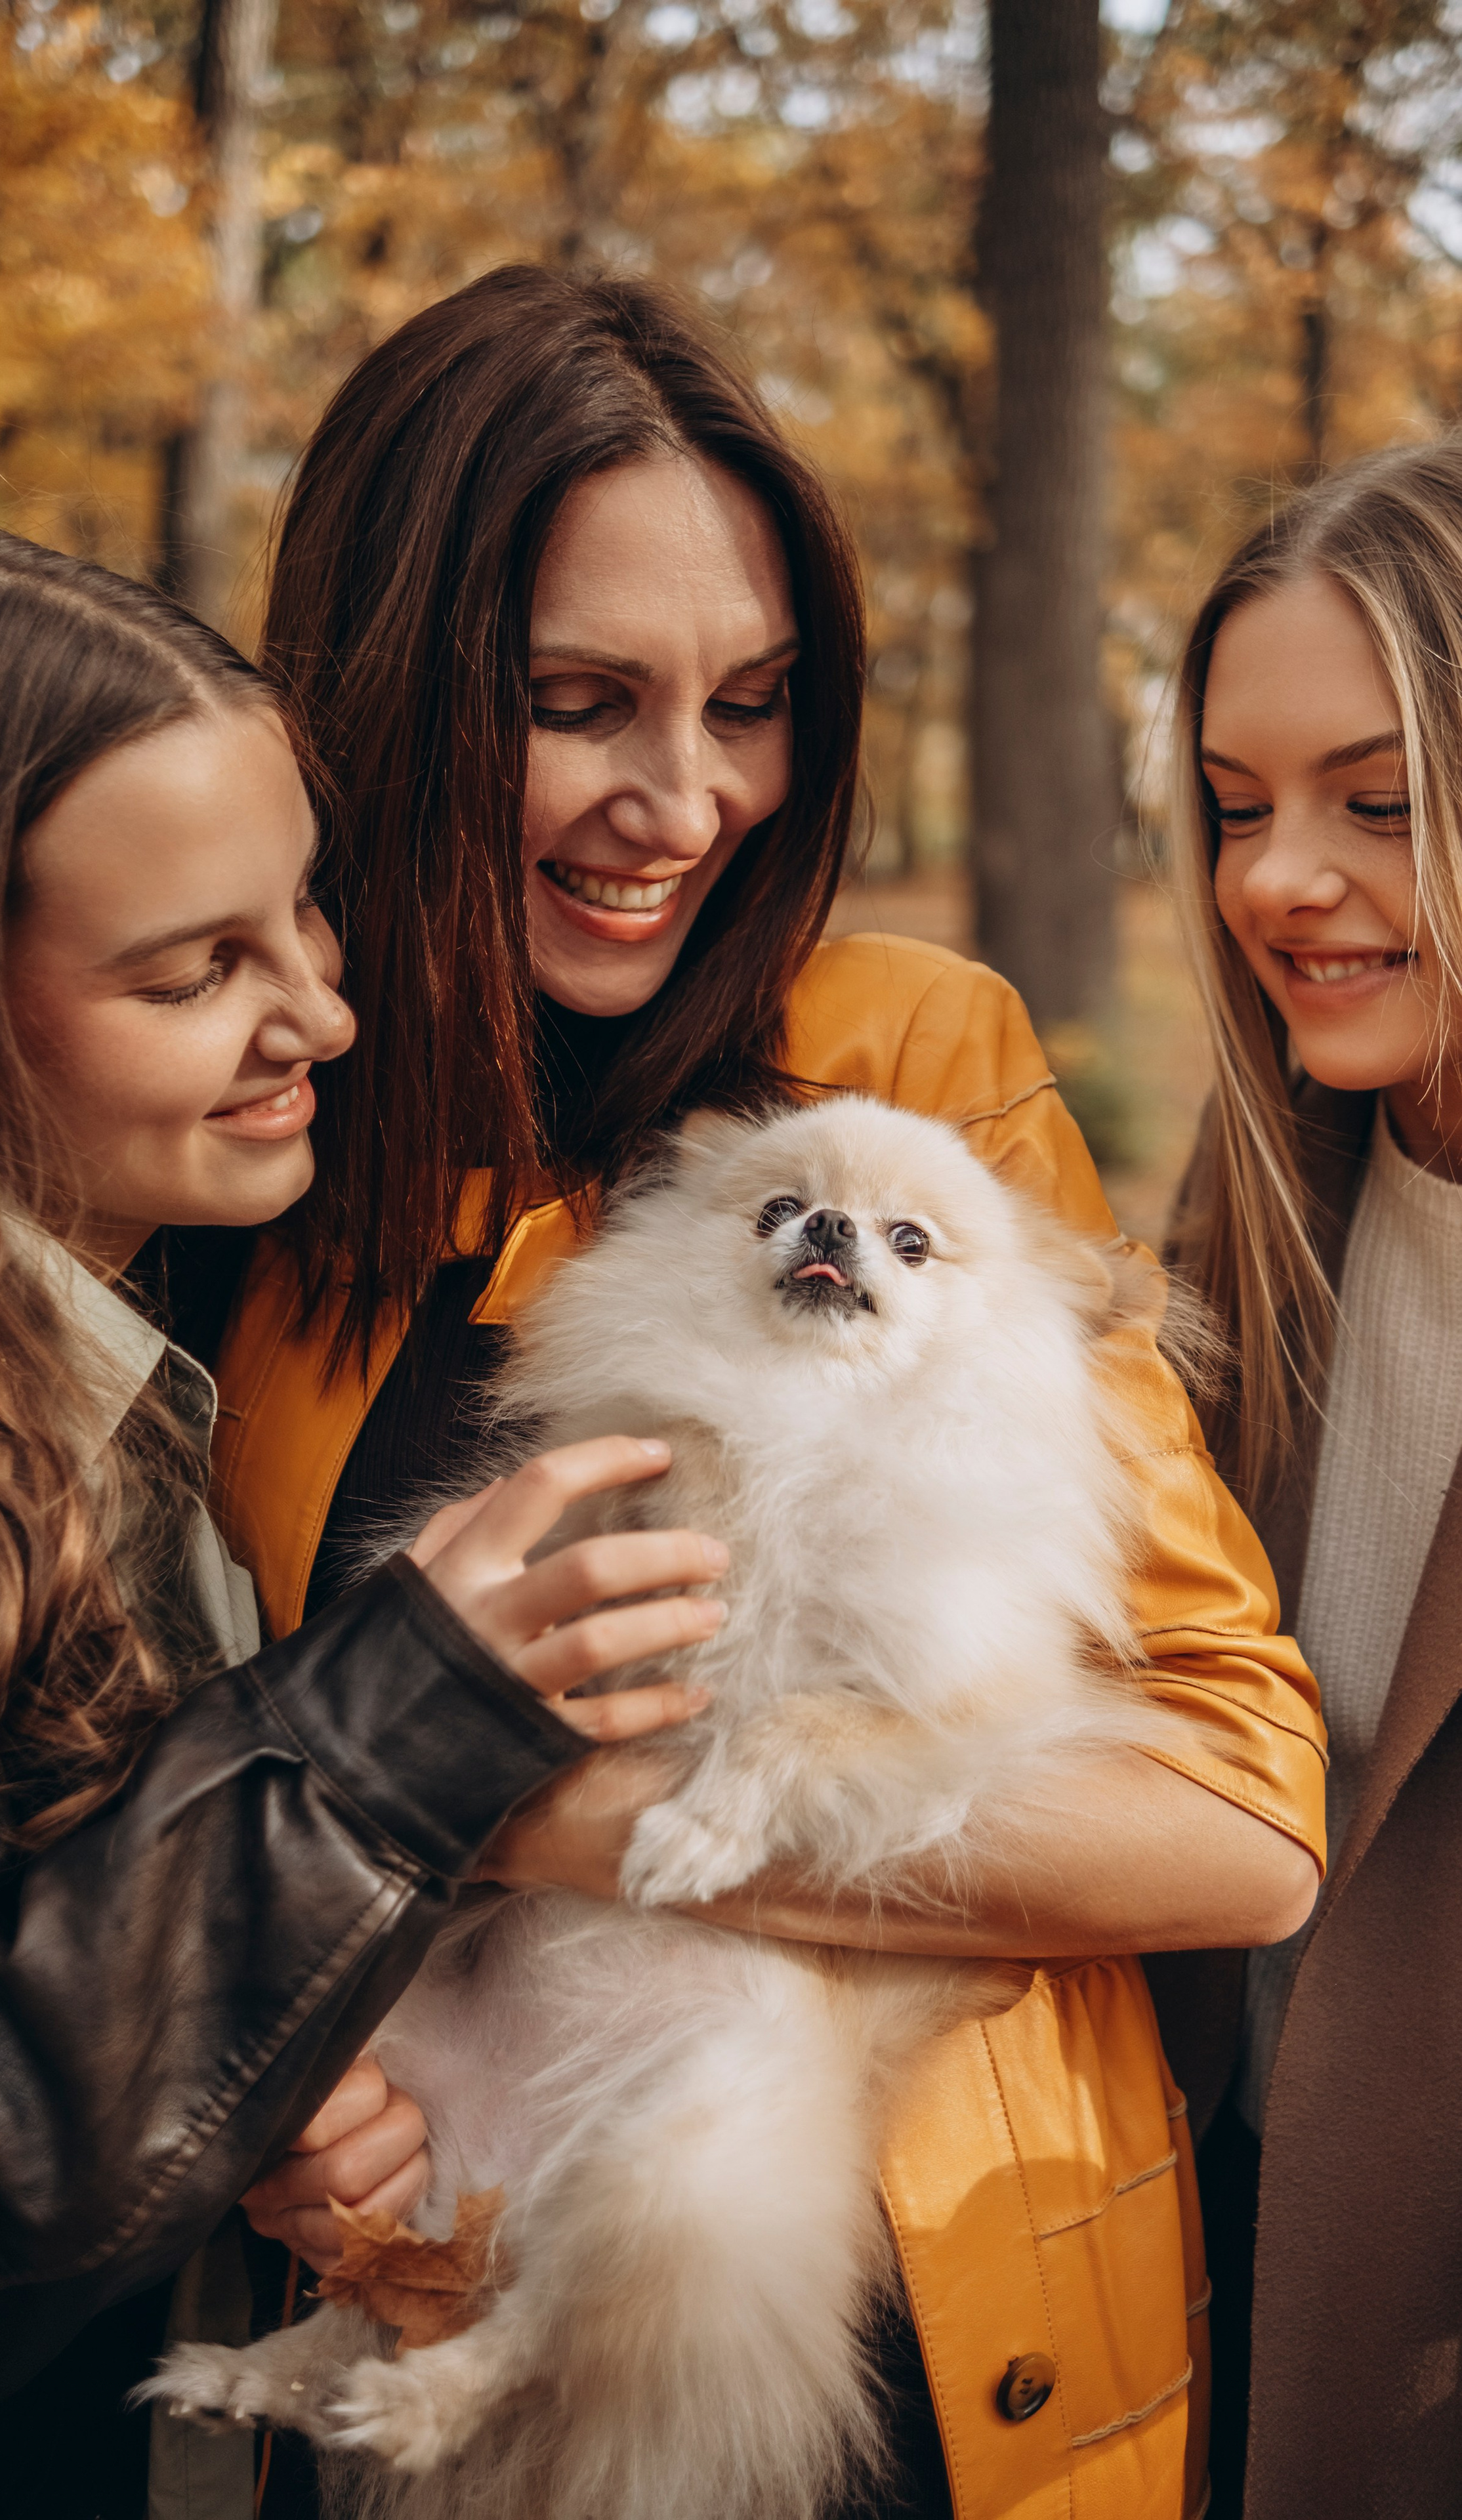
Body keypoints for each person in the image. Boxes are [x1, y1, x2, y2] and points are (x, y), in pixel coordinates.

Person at [199, 264, 1326, 2520]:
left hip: (935, 2354)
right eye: (579, 701)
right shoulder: (260, 1184)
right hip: (468, 2363)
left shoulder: (909, 1074)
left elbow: (1236, 1810)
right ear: (391, 696)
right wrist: (280, 2109)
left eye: (754, 701)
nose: (683, 798)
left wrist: (513, 1818)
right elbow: (171, 1829)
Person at [0, 524, 726, 2520]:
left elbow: (51, 2011)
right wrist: (386, 1733)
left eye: (302, 915)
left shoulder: (112, 1321)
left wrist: (225, 2103)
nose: (323, 1013)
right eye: (196, 969)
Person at [1150, 439, 1462, 2520]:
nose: (1277, 879)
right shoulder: (1248, 1224)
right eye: (1240, 807)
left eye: (1379, 801)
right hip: (1210, 2282)